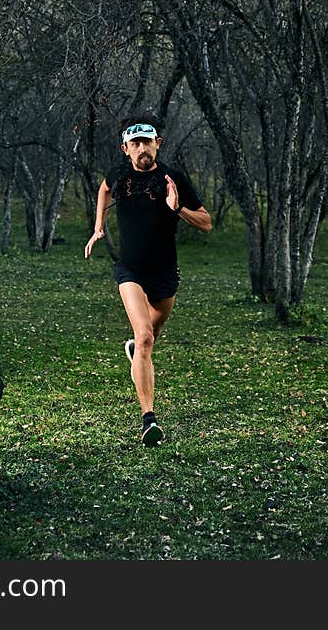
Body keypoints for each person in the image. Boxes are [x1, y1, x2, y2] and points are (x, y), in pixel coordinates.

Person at [84, 116, 212, 446]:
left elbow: (206, 223)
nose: (143, 148)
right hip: (131, 272)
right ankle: (149, 421)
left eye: (148, 141)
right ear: (125, 148)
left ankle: (136, 349)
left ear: (158, 144)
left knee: (150, 337)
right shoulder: (120, 174)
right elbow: (104, 189)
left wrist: (177, 207)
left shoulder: (173, 179)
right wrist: (99, 226)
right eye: (136, 143)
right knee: (144, 339)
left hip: (166, 276)